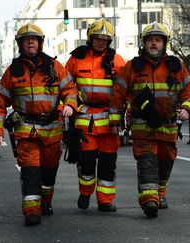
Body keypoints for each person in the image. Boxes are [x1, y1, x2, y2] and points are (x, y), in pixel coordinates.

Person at [0, 23, 78, 226]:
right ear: (20, 44)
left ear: (40, 43)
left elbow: (71, 90)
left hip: (51, 131)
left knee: (49, 170)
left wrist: (70, 106)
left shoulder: (54, 67)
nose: (30, 42)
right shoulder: (12, 72)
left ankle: (45, 202)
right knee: (30, 170)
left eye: (34, 39)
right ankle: (31, 210)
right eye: (26, 39)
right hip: (26, 130)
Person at [109, 21, 190, 218]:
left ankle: (160, 193)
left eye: (158, 40)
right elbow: (118, 93)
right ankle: (149, 201)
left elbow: (189, 90)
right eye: (150, 40)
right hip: (143, 126)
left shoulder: (176, 66)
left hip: (168, 126)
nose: (154, 44)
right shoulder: (133, 67)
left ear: (164, 43)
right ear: (144, 44)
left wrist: (186, 108)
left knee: (166, 161)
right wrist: (115, 119)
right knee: (147, 161)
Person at [65, 19, 125, 212]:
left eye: (105, 39)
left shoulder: (117, 61)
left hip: (109, 119)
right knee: (86, 161)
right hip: (85, 117)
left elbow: (124, 90)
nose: (100, 42)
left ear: (110, 41)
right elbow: (66, 87)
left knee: (108, 163)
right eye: (97, 38)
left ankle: (105, 200)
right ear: (90, 38)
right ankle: (85, 192)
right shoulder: (76, 59)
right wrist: (67, 108)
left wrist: (126, 114)